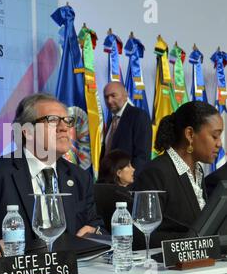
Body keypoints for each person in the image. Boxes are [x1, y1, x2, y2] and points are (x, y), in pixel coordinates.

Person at [0, 92, 105, 264]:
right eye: (52, 120)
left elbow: (97, 225)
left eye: (67, 121)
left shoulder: (79, 177)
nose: (64, 128)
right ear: (27, 132)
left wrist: (95, 232)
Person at [132, 101, 223, 250]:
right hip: (165, 269)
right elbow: (142, 237)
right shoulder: (156, 173)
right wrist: (195, 241)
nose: (219, 144)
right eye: (214, 136)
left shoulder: (197, 171)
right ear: (190, 134)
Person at [101, 81, 152, 176]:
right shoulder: (111, 120)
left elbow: (142, 156)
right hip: (109, 184)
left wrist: (130, 181)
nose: (109, 101)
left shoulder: (138, 116)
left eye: (113, 96)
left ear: (125, 95)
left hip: (128, 185)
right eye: (106, 97)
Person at [94, 149, 134, 232]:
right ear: (118, 173)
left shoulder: (94, 190)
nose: (133, 169)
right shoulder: (122, 196)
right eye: (128, 166)